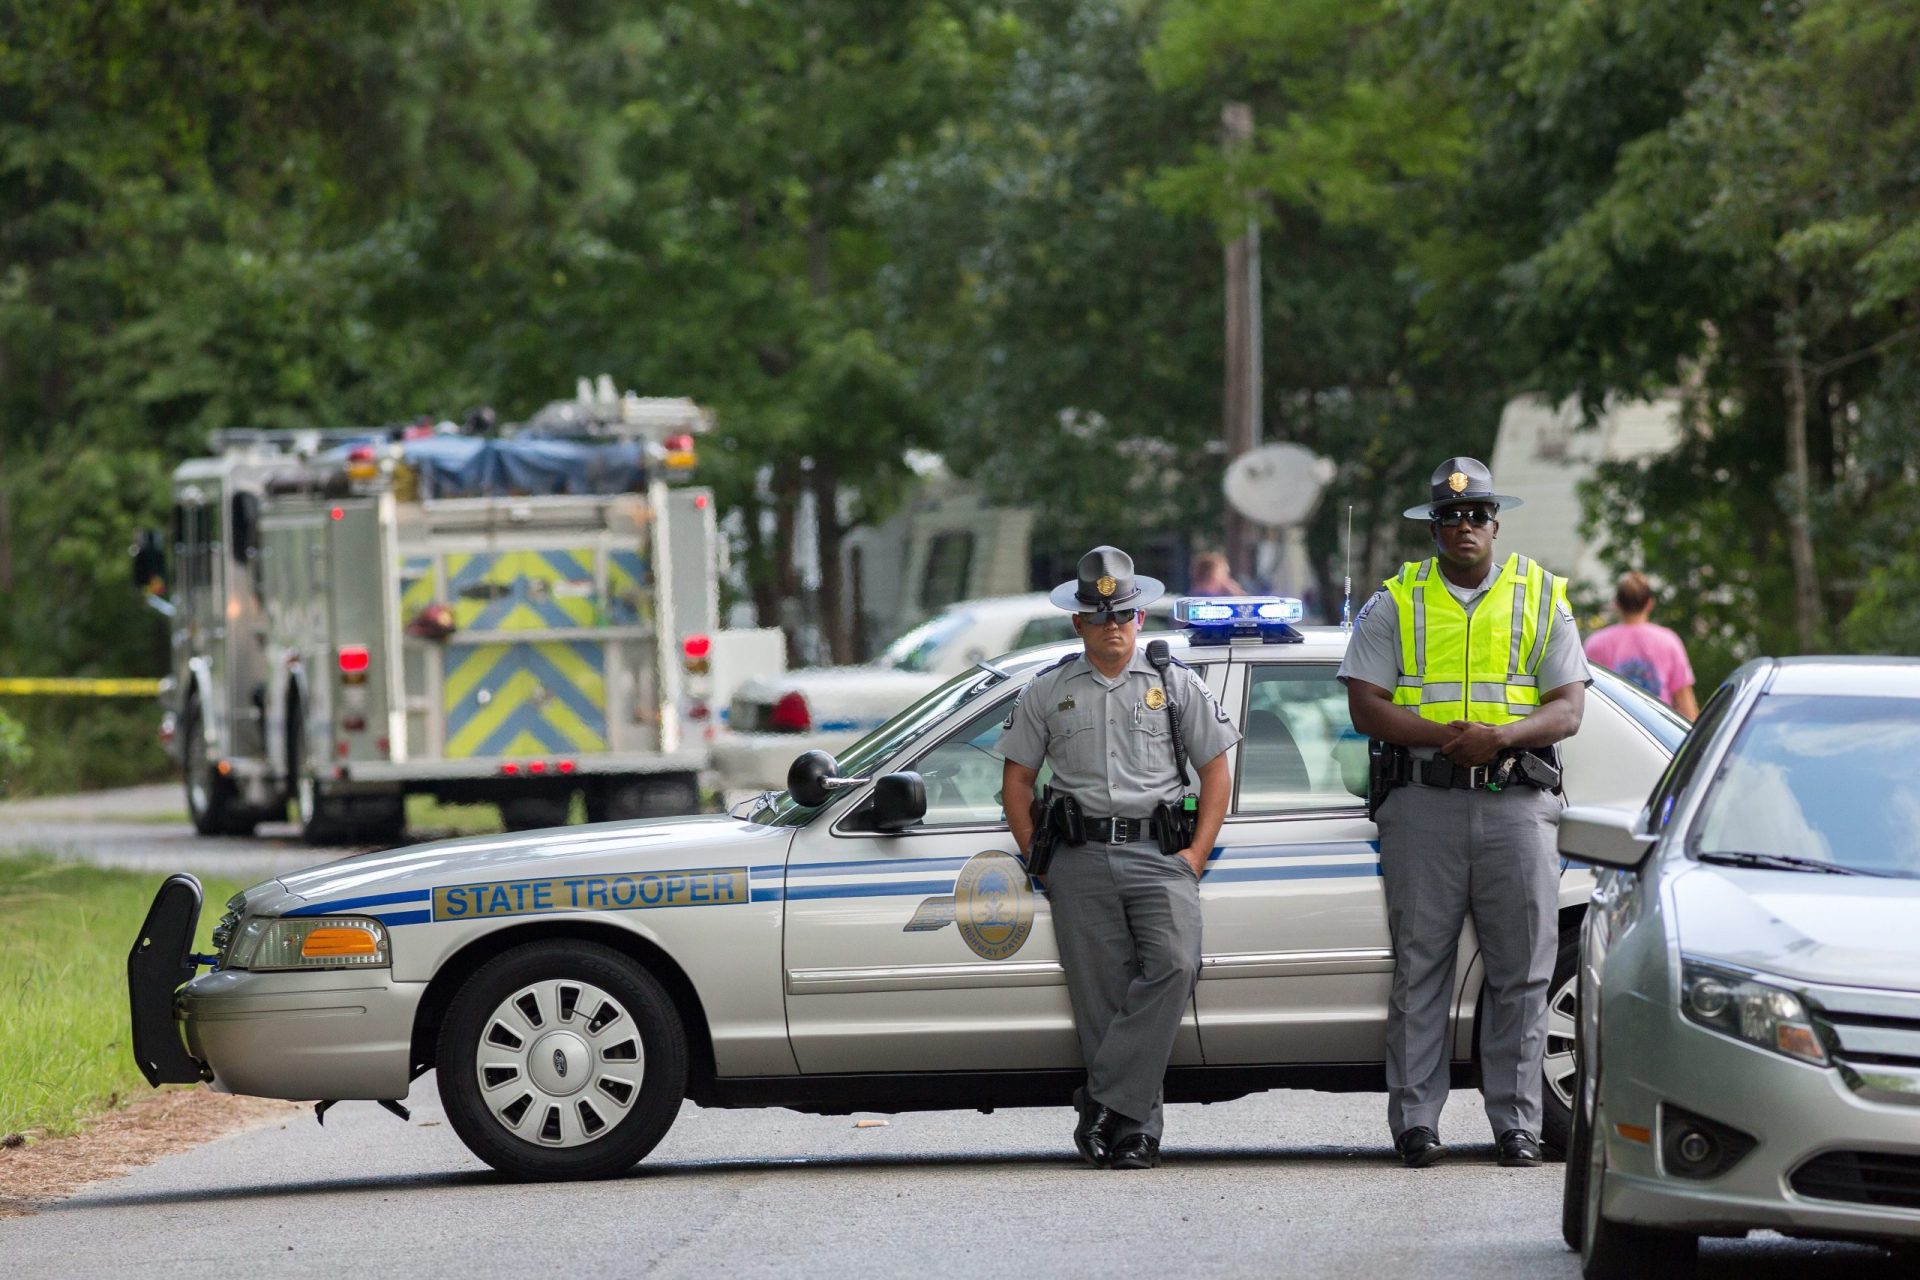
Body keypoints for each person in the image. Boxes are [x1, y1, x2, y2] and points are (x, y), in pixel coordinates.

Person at [1338, 458, 1590, 1170]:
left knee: (1523, 971)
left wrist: (1500, 738)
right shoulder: (1397, 599)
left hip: (1516, 804)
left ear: (1495, 522)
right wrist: (1449, 740)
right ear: (1433, 526)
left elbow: (1569, 708)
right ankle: (1416, 1122)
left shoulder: (1542, 597)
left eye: (1476, 514)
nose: (1464, 526)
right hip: (1423, 805)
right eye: (1450, 517)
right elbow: (1366, 706)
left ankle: (1517, 1123)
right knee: (1422, 967)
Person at [999, 546, 1240, 1171]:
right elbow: (1017, 782)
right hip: (1078, 859)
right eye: (1100, 615)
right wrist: (1039, 861)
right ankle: (1135, 1135)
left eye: (1125, 614)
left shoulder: (1172, 681)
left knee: (1175, 966)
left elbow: (1216, 771)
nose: (1114, 625)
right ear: (1078, 622)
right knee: (1102, 1000)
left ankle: (1101, 1103)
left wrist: (1195, 855)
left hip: (1160, 857)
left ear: (1139, 618)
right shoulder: (1048, 691)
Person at [1583, 571, 1698, 719]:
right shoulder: (1669, 641)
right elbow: (1684, 700)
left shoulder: (1596, 643)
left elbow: (1585, 696)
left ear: (1617, 604)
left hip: (1612, 725)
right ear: (1650, 604)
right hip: (1657, 730)